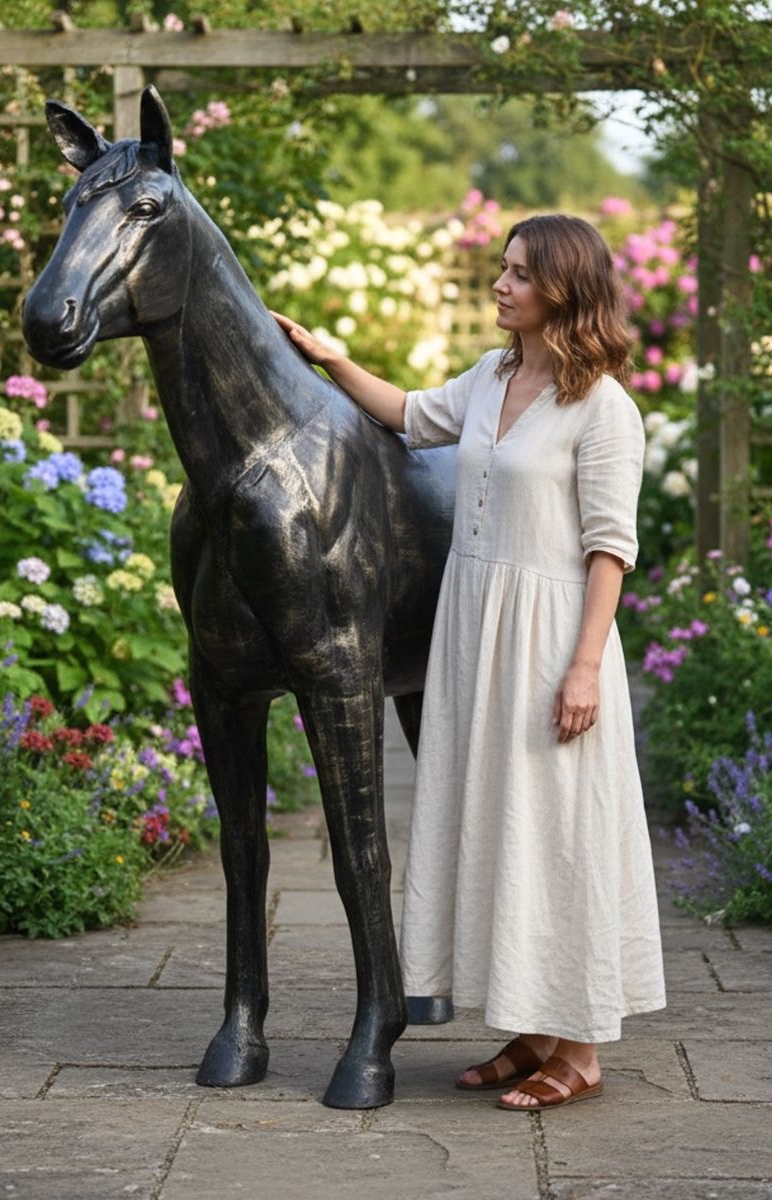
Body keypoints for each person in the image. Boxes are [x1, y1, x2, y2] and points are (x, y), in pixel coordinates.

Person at [273, 212, 666, 1111]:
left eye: (519, 273)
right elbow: (410, 417)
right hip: (476, 631)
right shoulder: (493, 377)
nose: (501, 283)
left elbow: (611, 549)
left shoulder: (603, 406)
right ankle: (532, 1032)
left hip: (552, 638)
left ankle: (583, 1051)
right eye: (503, 267)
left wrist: (582, 669)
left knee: (560, 836)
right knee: (500, 825)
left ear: (561, 290)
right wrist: (333, 357)